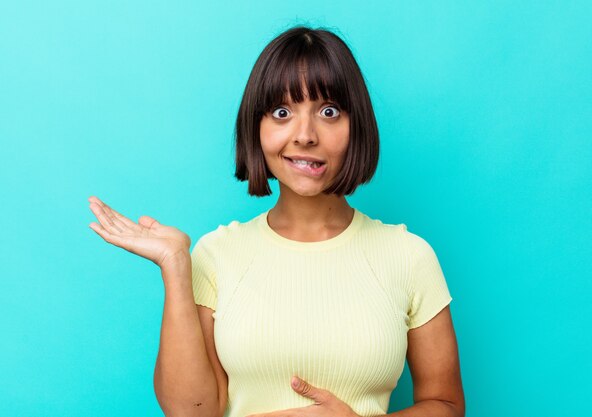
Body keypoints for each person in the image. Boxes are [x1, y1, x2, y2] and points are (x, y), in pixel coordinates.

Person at [88, 26, 464, 417]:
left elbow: (447, 405)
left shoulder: (408, 256)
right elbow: (192, 412)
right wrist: (176, 266)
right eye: (282, 113)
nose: (304, 135)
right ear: (257, 128)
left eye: (329, 112)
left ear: (358, 127)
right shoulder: (217, 254)